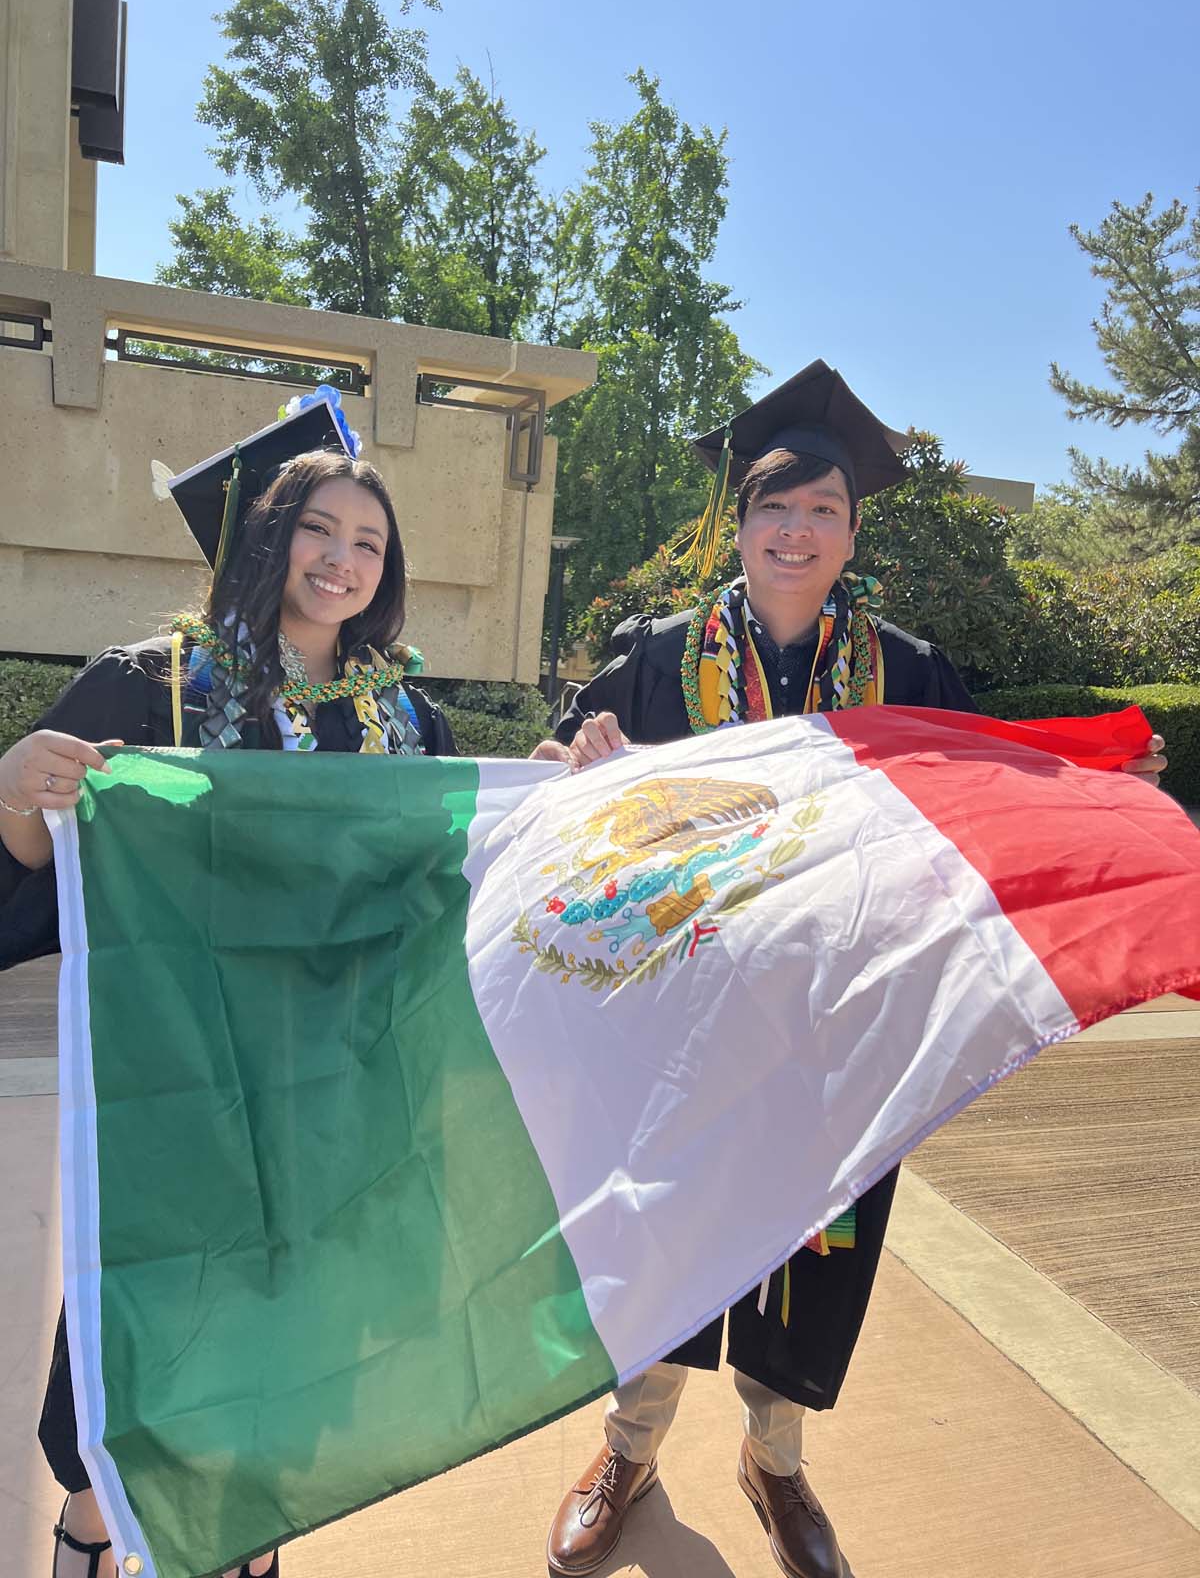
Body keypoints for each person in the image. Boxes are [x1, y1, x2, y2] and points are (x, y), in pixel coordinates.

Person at [532, 360, 1166, 1578]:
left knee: (813, 1260)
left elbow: (1000, 786)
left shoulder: (909, 671)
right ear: (743, 518)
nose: (797, 529)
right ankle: (628, 1451)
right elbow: (557, 797)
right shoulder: (656, 658)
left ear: (852, 529)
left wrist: (1100, 798)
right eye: (777, 505)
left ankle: (775, 1463)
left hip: (840, 1033)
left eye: (824, 509)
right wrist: (576, 753)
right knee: (669, 1247)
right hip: (681, 1028)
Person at [0, 392, 456, 1578]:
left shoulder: (405, 720)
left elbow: (451, 876)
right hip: (180, 1084)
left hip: (329, 1094)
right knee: (148, 1327)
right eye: (320, 528)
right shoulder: (147, 693)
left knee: (283, 1343)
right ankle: (91, 1534)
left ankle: (243, 1542)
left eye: (369, 541)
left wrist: (558, 788)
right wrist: (12, 799)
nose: (344, 558)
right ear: (264, 537)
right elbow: (37, 881)